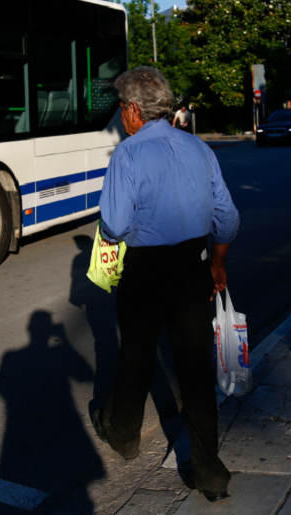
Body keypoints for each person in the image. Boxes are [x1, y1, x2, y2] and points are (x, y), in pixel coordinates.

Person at [91, 67, 239, 503]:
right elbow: (227, 217)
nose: (121, 117)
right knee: (195, 366)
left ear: (134, 110)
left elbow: (115, 225)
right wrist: (217, 261)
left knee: (136, 352)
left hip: (146, 268)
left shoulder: (128, 154)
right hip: (193, 264)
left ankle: (124, 435)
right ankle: (210, 472)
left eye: (121, 108)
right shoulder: (199, 148)